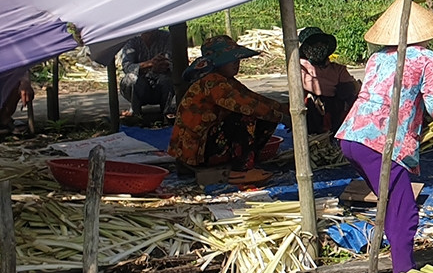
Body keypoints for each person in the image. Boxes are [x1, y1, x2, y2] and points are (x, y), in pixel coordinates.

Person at [335, 0, 433, 273]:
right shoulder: (427, 59)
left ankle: (397, 263)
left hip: (351, 137)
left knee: (391, 206)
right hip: (382, 144)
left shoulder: (377, 57)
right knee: (404, 215)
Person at [168, 35, 287, 174]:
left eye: (237, 59)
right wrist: (282, 117)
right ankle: (242, 168)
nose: (236, 62)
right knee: (245, 117)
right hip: (196, 150)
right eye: (230, 59)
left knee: (266, 115)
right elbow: (247, 105)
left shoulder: (228, 80)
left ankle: (246, 158)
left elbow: (253, 98)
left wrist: (286, 110)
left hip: (209, 142)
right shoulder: (212, 81)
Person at [298, 26, 359, 135]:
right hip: (312, 118)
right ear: (305, 49)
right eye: (313, 44)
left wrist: (350, 87)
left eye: (321, 43)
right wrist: (336, 87)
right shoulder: (299, 67)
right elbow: (316, 88)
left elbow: (352, 87)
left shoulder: (338, 69)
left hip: (336, 115)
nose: (318, 47)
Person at [118, 28, 176, 120]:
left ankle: (166, 113)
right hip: (138, 87)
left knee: (168, 79)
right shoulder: (131, 40)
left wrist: (160, 66)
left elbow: (170, 61)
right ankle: (135, 114)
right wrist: (149, 64)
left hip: (159, 83)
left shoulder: (166, 37)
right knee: (131, 78)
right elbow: (127, 66)